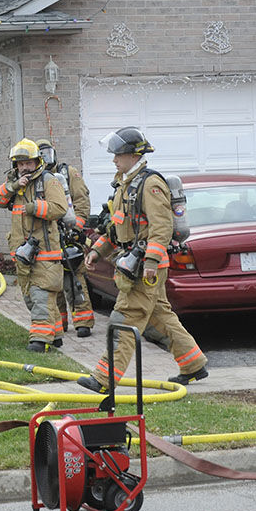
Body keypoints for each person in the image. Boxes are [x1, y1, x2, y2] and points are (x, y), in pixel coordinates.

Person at [77, 127, 208, 393]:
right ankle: (194, 364)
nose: (114, 159)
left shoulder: (150, 184)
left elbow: (161, 228)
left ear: (134, 156)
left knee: (124, 319)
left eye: (118, 154)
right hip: (138, 264)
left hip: (145, 269)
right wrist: (97, 250)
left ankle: (104, 380)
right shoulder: (126, 185)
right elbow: (118, 229)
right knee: (161, 317)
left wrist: (150, 264)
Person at [0, 138, 68, 352]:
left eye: (28, 162)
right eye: (19, 163)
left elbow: (60, 208)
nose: (24, 167)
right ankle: (56, 334)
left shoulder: (49, 181)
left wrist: (34, 207)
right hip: (24, 254)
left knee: (41, 296)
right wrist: (15, 185)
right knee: (30, 297)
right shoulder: (16, 184)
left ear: (37, 162)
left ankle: (40, 340)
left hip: (45, 253)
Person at [36, 139, 95, 339]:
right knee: (55, 279)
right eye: (41, 155)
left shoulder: (68, 173)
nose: (46, 159)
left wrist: (76, 228)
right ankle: (60, 321)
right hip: (50, 235)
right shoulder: (38, 178)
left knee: (75, 278)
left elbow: (81, 202)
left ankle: (83, 321)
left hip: (70, 234)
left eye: (48, 154)